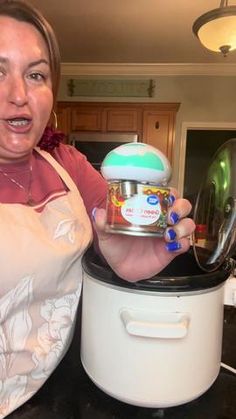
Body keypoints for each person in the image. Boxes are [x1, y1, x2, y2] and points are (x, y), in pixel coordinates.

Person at [0, 1, 195, 417]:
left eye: (35, 74)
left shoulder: (67, 164)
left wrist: (125, 258)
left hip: (67, 388)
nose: (18, 94)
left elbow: (121, 236)